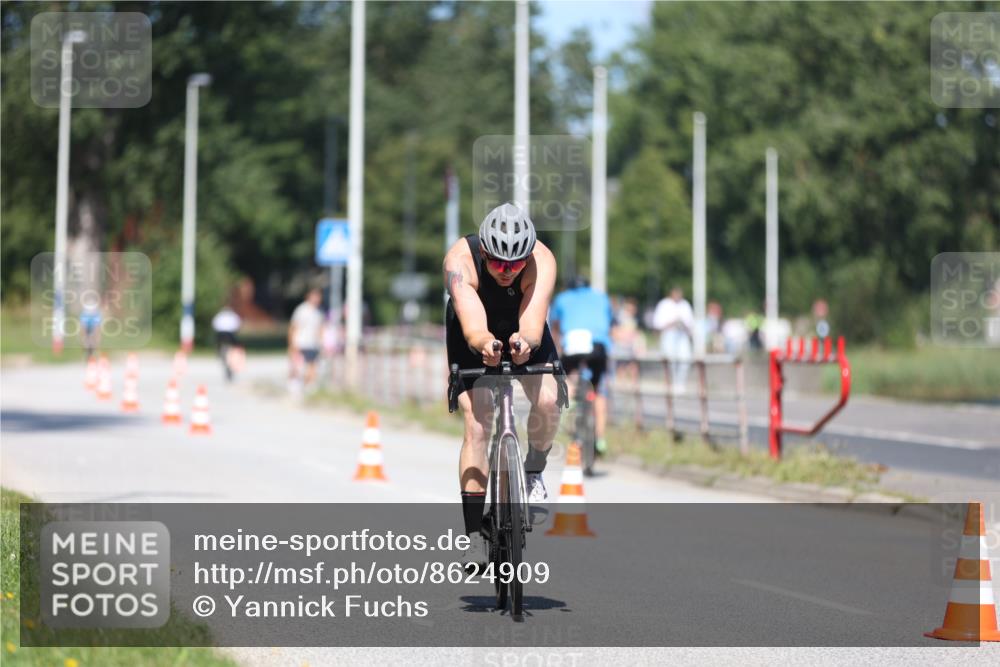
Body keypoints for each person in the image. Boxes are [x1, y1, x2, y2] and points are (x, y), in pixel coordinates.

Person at [443, 202, 561, 572]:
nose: (507, 272)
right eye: (498, 264)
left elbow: (533, 320)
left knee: (549, 399)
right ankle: (474, 535)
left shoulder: (542, 260)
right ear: (484, 253)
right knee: (478, 425)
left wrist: (525, 342)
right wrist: (483, 343)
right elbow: (472, 322)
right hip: (472, 324)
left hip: (521, 318)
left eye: (515, 264)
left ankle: (534, 469)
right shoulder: (460, 261)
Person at [549, 275, 614, 457]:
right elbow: (609, 324)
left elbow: (555, 329)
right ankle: (600, 439)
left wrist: (556, 350)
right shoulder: (600, 297)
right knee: (599, 389)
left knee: (567, 377)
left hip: (572, 344)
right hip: (598, 345)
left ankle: (570, 407)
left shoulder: (562, 298)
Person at [652, 287, 694, 394]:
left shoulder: (685, 305)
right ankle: (671, 382)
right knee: (670, 360)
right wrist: (672, 323)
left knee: (685, 358)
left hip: (682, 335)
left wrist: (683, 324)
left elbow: (690, 324)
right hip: (669, 334)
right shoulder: (664, 304)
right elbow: (658, 324)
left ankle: (680, 383)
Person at [288, 288, 325, 392]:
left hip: (313, 344)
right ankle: (295, 387)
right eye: (314, 296)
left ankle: (308, 388)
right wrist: (292, 344)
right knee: (298, 367)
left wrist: (321, 343)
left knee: (313, 367)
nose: (316, 299)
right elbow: (294, 327)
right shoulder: (302, 310)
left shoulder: (319, 311)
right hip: (301, 343)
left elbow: (319, 329)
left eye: (318, 297)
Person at [211, 303, 242, 382]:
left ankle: (219, 352)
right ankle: (233, 356)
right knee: (235, 346)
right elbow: (238, 325)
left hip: (221, 334)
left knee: (218, 344)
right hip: (230, 334)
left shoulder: (219, 315)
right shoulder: (233, 316)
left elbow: (214, 325)